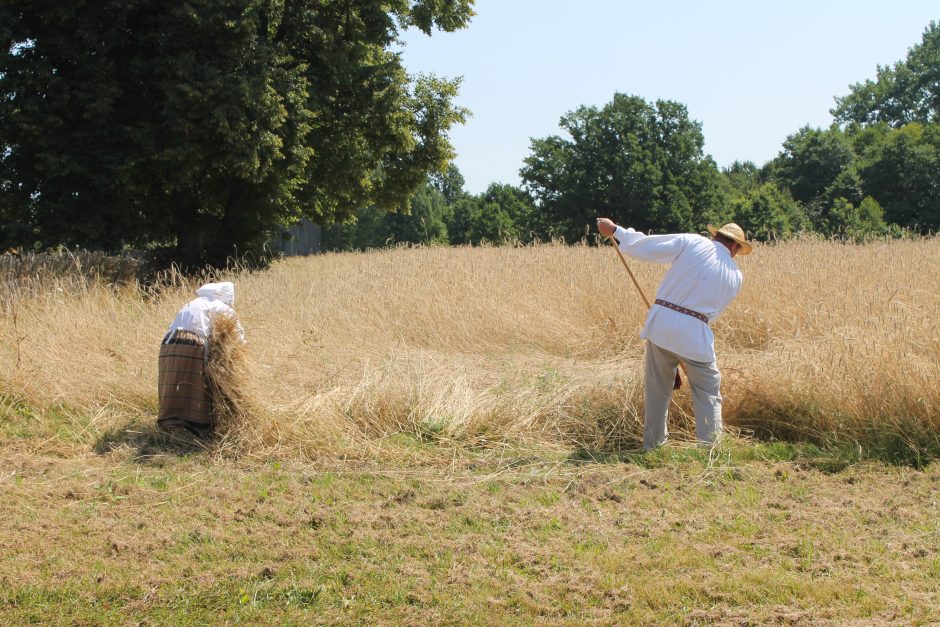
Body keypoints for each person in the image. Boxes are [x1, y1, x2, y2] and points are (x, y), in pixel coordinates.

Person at [595, 218, 752, 450]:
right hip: (696, 336)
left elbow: (649, 247)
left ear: (716, 236)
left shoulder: (693, 242)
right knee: (708, 392)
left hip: (661, 325)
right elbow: (712, 314)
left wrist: (617, 231)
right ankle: (710, 451)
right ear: (736, 247)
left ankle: (653, 447)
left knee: (658, 391)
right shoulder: (736, 276)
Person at [157, 281, 244, 437]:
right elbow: (239, 340)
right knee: (197, 386)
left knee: (173, 385)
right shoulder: (222, 308)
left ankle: (171, 426)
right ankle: (197, 430)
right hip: (192, 345)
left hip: (168, 345)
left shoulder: (192, 304)